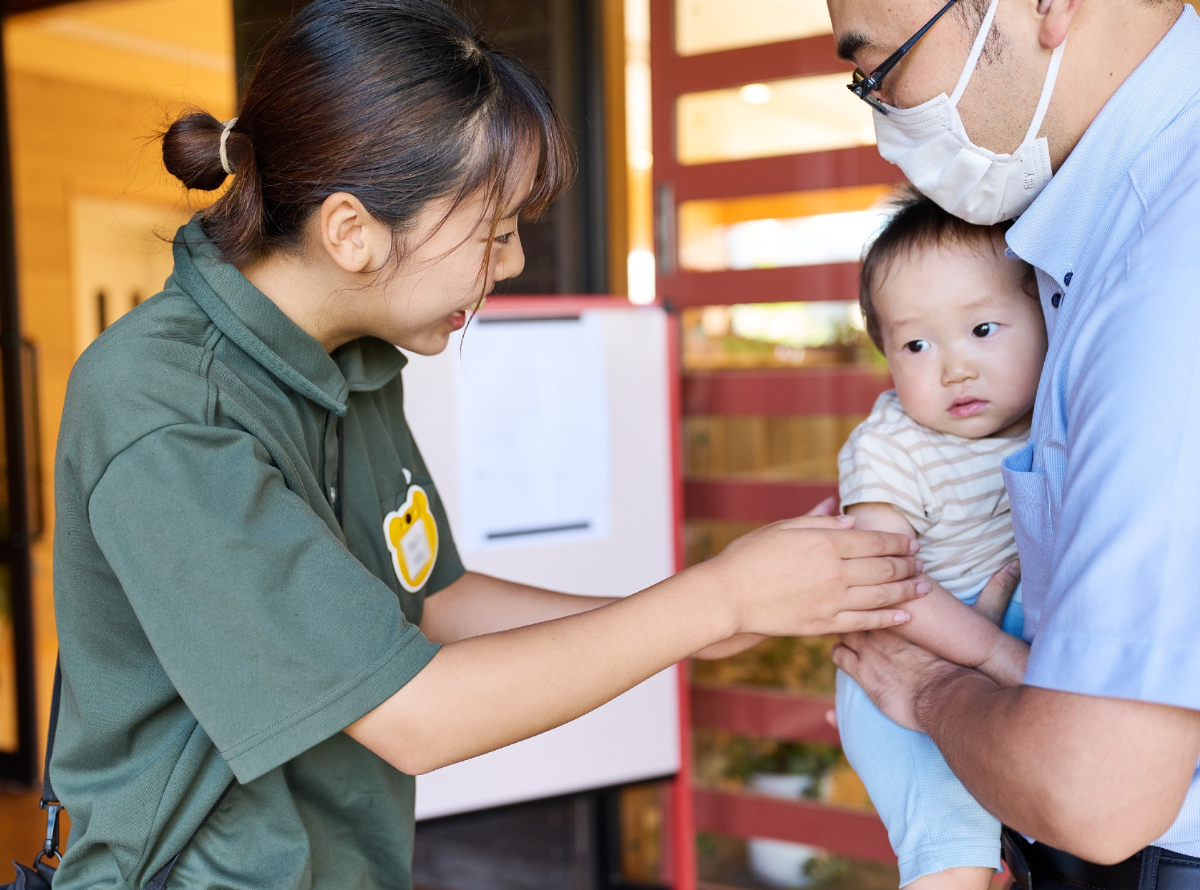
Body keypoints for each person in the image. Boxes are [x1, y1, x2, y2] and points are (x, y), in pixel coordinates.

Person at [48, 1, 927, 887]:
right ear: (352, 232)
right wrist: (717, 603)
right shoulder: (166, 411)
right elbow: (413, 713)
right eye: (493, 232)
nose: (507, 265)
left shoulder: (348, 358)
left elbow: (434, 598)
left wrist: (698, 620)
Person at [826, 0, 1200, 885]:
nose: (886, 126)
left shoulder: (1163, 272)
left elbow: (1094, 792)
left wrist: (929, 691)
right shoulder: (1090, 240)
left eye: (882, 70)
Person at [835, 191, 1043, 890]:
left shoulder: (1057, 417)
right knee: (954, 860)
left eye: (983, 329)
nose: (954, 366)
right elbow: (882, 584)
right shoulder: (894, 447)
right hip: (908, 657)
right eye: (917, 344)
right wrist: (996, 654)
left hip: (1002, 657)